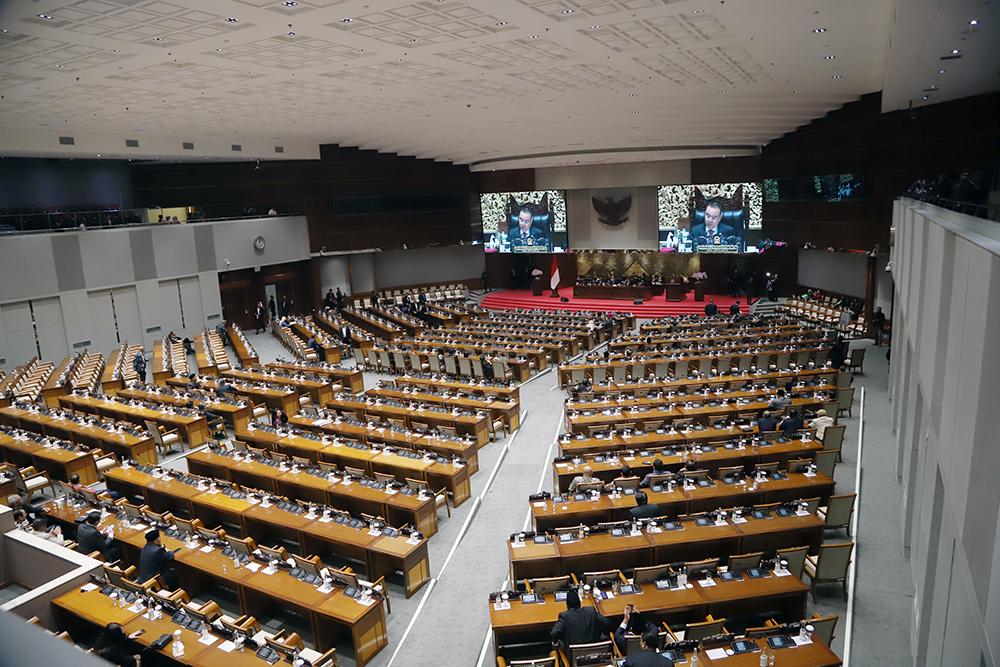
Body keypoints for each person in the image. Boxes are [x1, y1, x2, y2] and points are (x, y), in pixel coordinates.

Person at [550, 589, 615, 651]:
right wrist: (604, 635)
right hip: (595, 653)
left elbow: (554, 632)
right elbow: (606, 622)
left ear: (567, 606)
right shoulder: (590, 611)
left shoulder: (565, 616)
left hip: (574, 656)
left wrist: (556, 643)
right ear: (580, 604)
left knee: (556, 645)